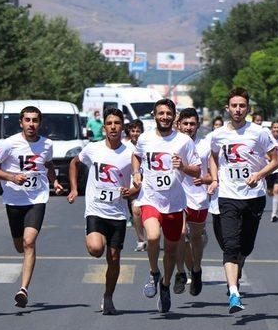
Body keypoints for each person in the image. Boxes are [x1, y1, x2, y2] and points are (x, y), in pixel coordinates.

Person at [208, 88, 278, 314]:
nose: (238, 110)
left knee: (245, 247)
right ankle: (234, 293)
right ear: (227, 108)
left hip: (254, 197)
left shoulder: (260, 133)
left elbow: (276, 161)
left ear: (248, 108)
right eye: (234, 106)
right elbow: (213, 155)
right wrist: (215, 178)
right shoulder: (218, 134)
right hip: (228, 196)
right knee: (230, 246)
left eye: (242, 106)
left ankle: (236, 273)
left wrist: (259, 175)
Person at [0, 106, 64, 308]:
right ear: (21, 122)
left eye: (35, 120)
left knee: (30, 242)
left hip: (37, 199)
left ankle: (23, 289)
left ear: (40, 123)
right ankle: (24, 258)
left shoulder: (47, 144)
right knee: (19, 245)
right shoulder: (8, 144)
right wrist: (11, 177)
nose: (31, 124)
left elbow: (48, 165)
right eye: (27, 120)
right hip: (13, 200)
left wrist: (54, 181)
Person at [132, 99, 201, 313]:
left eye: (168, 113)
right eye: (160, 113)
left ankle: (165, 284)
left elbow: (197, 170)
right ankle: (154, 273)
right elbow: (136, 156)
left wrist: (184, 166)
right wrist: (136, 173)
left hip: (174, 203)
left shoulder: (184, 141)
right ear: (154, 114)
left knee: (171, 250)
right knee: (152, 237)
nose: (164, 117)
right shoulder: (145, 138)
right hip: (150, 198)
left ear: (174, 116)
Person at [67, 108, 138, 315]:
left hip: (117, 213)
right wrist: (74, 188)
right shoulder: (93, 148)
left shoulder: (130, 153)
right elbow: (74, 163)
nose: (113, 126)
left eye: (117, 123)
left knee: (114, 258)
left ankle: (108, 297)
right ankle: (92, 237)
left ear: (122, 126)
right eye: (110, 123)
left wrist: (130, 191)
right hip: (96, 209)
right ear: (104, 127)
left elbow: (138, 183)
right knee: (96, 249)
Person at [174, 107, 215, 296]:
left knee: (195, 239)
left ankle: (196, 270)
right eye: (185, 124)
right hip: (175, 196)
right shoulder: (171, 143)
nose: (189, 127)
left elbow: (215, 172)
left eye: (192, 124)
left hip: (198, 197)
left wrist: (209, 180)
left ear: (197, 125)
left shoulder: (206, 145)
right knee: (179, 234)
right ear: (179, 125)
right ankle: (181, 272)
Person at [125, 119, 147, 251]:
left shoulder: (146, 144)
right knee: (135, 210)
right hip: (131, 182)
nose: (135, 133)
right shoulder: (124, 146)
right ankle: (141, 240)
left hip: (147, 183)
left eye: (138, 131)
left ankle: (153, 237)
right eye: (133, 131)